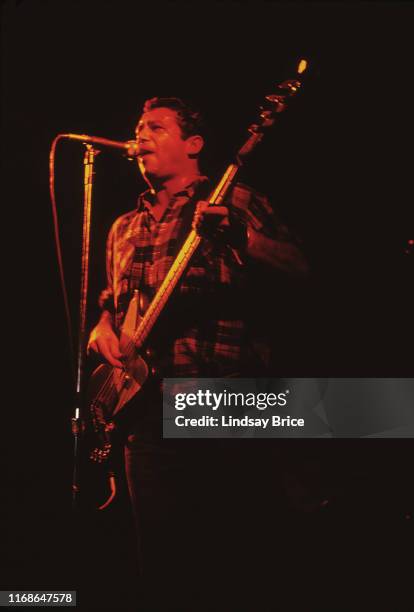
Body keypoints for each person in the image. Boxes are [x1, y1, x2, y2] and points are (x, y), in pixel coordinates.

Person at [87, 97, 309, 607]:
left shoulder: (238, 201)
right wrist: (100, 328)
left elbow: (302, 270)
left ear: (193, 145)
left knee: (233, 556)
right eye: (139, 127)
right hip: (141, 410)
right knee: (162, 565)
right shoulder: (122, 227)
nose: (140, 135)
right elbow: (112, 302)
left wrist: (242, 236)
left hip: (222, 395)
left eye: (156, 127)